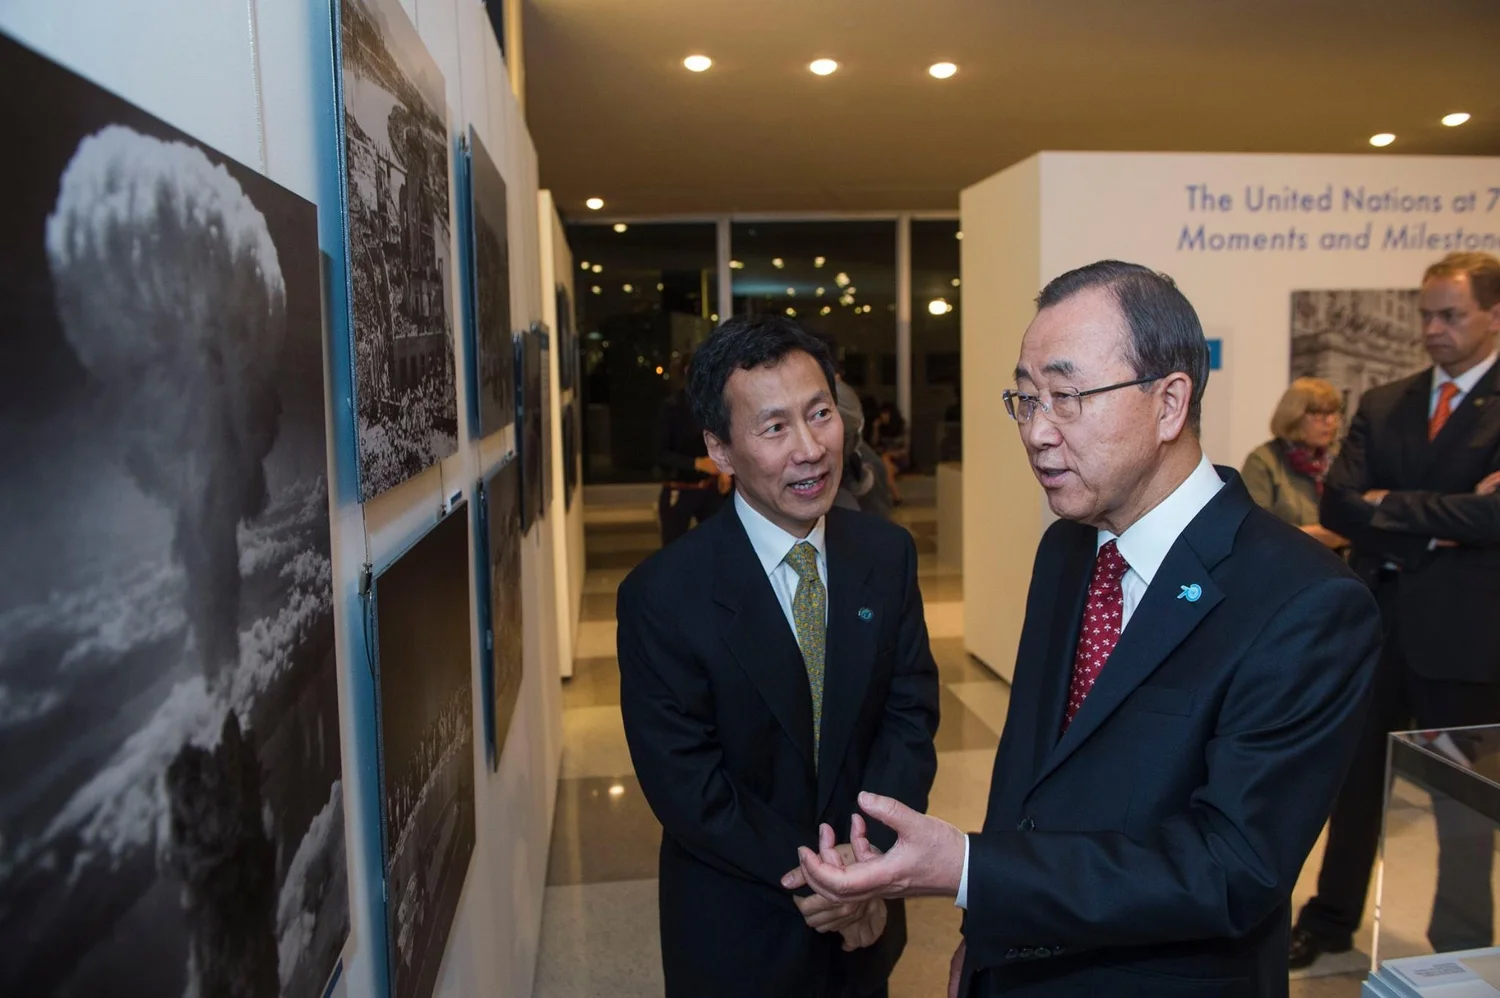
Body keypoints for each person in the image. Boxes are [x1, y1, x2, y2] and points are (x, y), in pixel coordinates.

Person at [787, 260, 1381, 998]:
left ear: (1169, 404)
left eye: (1066, 398)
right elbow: (1027, 775)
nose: (1037, 432)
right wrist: (986, 933)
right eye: (1026, 399)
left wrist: (968, 869)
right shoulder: (1069, 551)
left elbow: (1232, 868)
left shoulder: (1305, 602)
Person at [616, 314, 941, 997]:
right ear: (721, 449)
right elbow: (688, 786)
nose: (811, 448)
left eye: (820, 414)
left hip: (865, 917)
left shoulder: (885, 555)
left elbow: (909, 717)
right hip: (741, 924)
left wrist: (866, 864)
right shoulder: (663, 595)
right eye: (774, 427)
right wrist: (824, 881)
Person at [1291, 251, 1500, 967]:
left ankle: (1462, 945)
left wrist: (1392, 508)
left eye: (1451, 315)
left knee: (1462, 801)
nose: (1433, 329)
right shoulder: (1386, 403)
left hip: (1466, 641)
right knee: (1352, 787)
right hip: (1377, 627)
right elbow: (1338, 505)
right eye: (1425, 315)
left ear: (1493, 314)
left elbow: (1496, 518)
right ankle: (1329, 920)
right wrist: (1452, 516)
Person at [1241, 377, 1347, 549]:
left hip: (1338, 561)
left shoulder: (1340, 457)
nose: (1329, 422)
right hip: (1284, 560)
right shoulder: (1263, 461)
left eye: (1333, 413)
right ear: (1294, 416)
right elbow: (1251, 529)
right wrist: (1309, 536)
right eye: (1319, 414)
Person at [653, 352, 730, 546]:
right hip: (679, 488)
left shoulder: (713, 405)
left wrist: (724, 471)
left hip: (710, 489)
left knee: (720, 546)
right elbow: (660, 454)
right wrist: (696, 464)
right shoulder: (672, 407)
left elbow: (723, 441)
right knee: (674, 551)